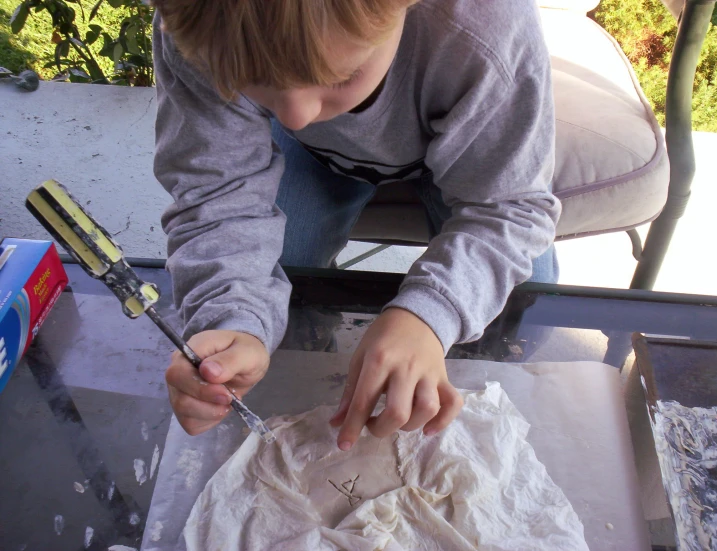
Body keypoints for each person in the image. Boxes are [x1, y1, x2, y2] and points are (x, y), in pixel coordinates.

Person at [152, 0, 561, 450]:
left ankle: (449, 381)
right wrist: (234, 320)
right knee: (289, 276)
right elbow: (216, 194)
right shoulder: (201, 21)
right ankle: (316, 356)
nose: (296, 115)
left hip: (477, 140)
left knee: (528, 294)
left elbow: (508, 208)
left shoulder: (488, 26)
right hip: (314, 156)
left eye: (340, 77)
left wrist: (430, 316)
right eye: (255, 84)